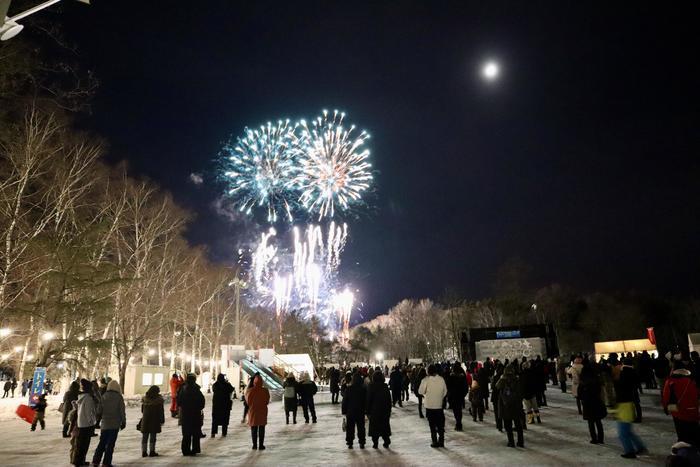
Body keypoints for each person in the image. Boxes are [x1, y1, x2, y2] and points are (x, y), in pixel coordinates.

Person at [615, 358, 648, 459]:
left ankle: (630, 451)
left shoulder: (623, 374)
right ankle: (640, 447)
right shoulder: (632, 373)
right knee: (627, 431)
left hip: (623, 404)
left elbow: (619, 388)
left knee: (623, 433)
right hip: (629, 402)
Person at [662, 360, 700, 446]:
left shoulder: (670, 381)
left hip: (678, 411)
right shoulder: (692, 379)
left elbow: (666, 396)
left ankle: (685, 451)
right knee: (694, 432)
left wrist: (666, 407)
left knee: (682, 433)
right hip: (692, 410)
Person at [92, 380, 126, 467]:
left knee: (102, 443)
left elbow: (99, 410)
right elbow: (122, 411)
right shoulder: (119, 397)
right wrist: (123, 421)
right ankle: (106, 463)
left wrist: (98, 419)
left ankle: (96, 461)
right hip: (114, 424)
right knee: (110, 445)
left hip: (105, 424)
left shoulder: (104, 396)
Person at [578, 360, 607, 444]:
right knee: (598, 421)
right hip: (596, 401)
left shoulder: (583, 382)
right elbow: (599, 390)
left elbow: (579, 393)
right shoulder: (596, 379)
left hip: (587, 402)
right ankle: (601, 439)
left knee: (591, 422)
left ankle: (594, 438)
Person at [419, 364, 448, 448]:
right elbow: (445, 391)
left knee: (432, 425)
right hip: (439, 405)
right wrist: (439, 397)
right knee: (440, 425)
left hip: (429, 405)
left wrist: (426, 394)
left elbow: (420, 391)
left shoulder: (425, 380)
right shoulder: (441, 379)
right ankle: (441, 441)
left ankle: (434, 441)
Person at [497, 363, 524, 448]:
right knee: (518, 425)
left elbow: (497, 386)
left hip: (506, 406)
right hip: (516, 405)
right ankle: (520, 442)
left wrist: (502, 378)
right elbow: (520, 392)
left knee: (508, 426)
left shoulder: (503, 380)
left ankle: (511, 442)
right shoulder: (516, 379)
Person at [178, 373, 205, 456]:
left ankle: (185, 450)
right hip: (195, 414)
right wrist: (198, 408)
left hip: (185, 414)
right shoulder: (196, 389)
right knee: (195, 433)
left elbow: (179, 401)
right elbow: (202, 401)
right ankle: (195, 449)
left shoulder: (182, 389)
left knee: (186, 434)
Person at [74, 378, 98, 466]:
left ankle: (79, 461)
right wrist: (93, 422)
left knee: (80, 444)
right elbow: (89, 413)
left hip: (81, 422)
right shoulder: (88, 398)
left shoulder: (81, 397)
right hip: (87, 424)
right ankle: (80, 462)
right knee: (84, 445)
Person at [367, 369, 392, 449]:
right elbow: (389, 399)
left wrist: (367, 411)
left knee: (375, 428)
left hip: (374, 410)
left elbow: (368, 399)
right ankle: (386, 440)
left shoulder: (371, 386)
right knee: (384, 426)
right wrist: (389, 409)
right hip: (384, 410)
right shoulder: (385, 387)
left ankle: (375, 443)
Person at [342, 372, 367, 449]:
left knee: (350, 427)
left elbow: (345, 401)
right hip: (360, 411)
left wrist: (344, 411)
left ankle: (350, 442)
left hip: (350, 411)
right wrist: (366, 410)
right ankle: (362, 442)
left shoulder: (349, 389)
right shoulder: (363, 389)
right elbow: (366, 400)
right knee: (361, 427)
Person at [246, 375, 270, 450]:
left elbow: (248, 401)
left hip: (253, 411)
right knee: (262, 428)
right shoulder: (265, 390)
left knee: (254, 428)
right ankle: (261, 445)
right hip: (262, 411)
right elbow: (267, 401)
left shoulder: (250, 390)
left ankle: (254, 445)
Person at [140, 385, 165, 457]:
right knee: (153, 435)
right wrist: (162, 420)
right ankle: (152, 451)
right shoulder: (159, 400)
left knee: (145, 436)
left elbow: (142, 410)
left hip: (146, 419)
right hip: (155, 419)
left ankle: (144, 452)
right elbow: (161, 411)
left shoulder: (145, 399)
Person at [211, 373, 234, 438]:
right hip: (225, 405)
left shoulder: (215, 385)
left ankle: (213, 433)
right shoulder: (227, 384)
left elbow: (213, 390)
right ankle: (224, 433)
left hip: (217, 405)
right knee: (225, 419)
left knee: (215, 420)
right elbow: (232, 389)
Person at [447, 363, 468, 431]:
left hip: (453, 396)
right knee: (459, 410)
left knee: (455, 411)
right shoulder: (462, 376)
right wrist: (463, 394)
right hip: (460, 396)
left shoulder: (451, 376)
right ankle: (459, 423)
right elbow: (465, 387)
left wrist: (449, 395)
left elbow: (448, 387)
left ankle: (458, 423)